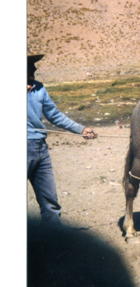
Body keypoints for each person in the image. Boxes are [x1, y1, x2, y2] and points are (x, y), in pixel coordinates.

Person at [27, 52, 97, 227]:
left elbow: (54, 115)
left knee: (50, 203)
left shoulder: (39, 88)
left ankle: (55, 244)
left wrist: (81, 129)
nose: (34, 68)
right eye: (29, 64)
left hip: (40, 149)